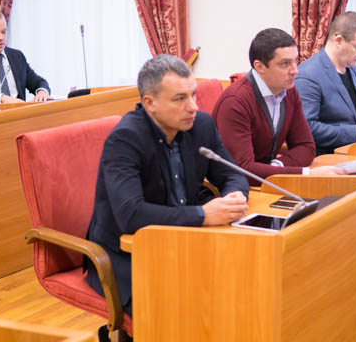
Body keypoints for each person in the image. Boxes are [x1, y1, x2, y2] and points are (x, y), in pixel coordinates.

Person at [84, 54, 249, 320]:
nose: (193, 106)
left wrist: (233, 197)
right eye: (180, 99)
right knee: (184, 309)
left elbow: (232, 174)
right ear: (150, 103)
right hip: (127, 254)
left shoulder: (201, 125)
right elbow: (131, 215)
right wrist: (203, 215)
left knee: (240, 284)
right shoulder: (125, 139)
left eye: (193, 95)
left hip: (184, 239)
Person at [212, 28, 345, 186]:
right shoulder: (235, 101)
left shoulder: (289, 91)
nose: (295, 70)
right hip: (233, 188)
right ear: (259, 66)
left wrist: (277, 166)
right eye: (285, 64)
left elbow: (306, 147)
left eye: (295, 61)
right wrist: (307, 174)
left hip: (267, 179)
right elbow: (243, 170)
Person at [295, 12, 356, 155]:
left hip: (355, 154)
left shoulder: (355, 71)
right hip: (325, 159)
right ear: (338, 40)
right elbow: (306, 129)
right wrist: (354, 133)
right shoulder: (308, 75)